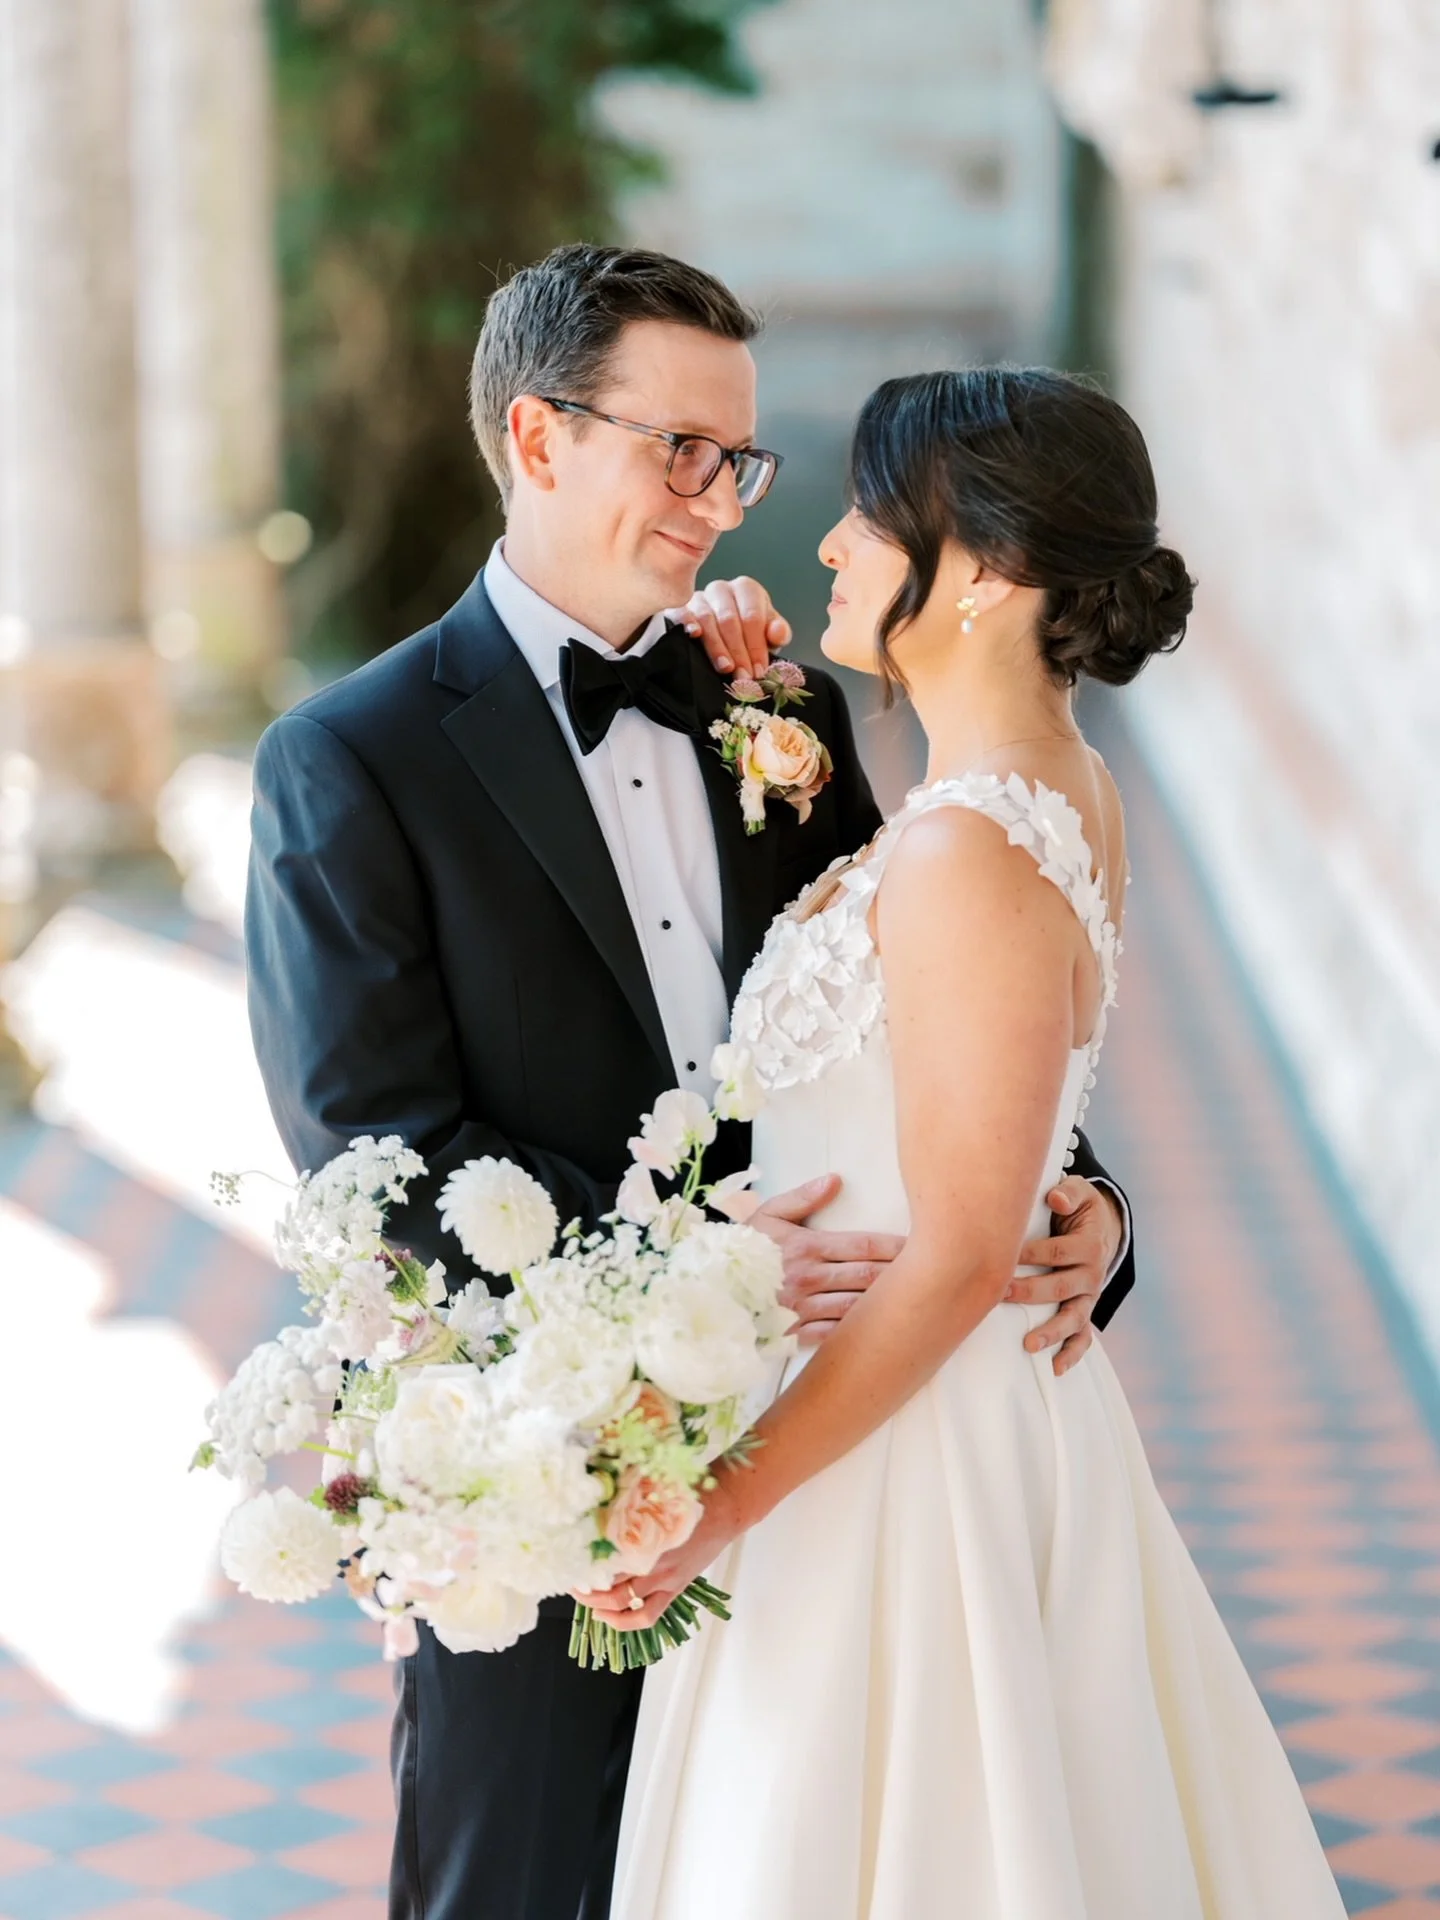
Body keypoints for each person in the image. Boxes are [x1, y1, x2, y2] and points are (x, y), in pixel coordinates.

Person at [244, 248, 1133, 1920]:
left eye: (739, 460)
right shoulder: (350, 762)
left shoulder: (776, 703)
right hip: (559, 1467)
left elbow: (943, 1028)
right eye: (681, 452)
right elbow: (372, 1158)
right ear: (538, 435)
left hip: (845, 1473)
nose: (721, 504)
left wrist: (1084, 1207)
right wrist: (693, 1277)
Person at [600, 368, 1346, 1920]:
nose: (831, 551)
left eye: (873, 521)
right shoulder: (1047, 796)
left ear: (989, 573)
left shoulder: (969, 844)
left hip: (900, 1450)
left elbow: (951, 1251)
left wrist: (724, 1500)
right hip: (905, 1404)